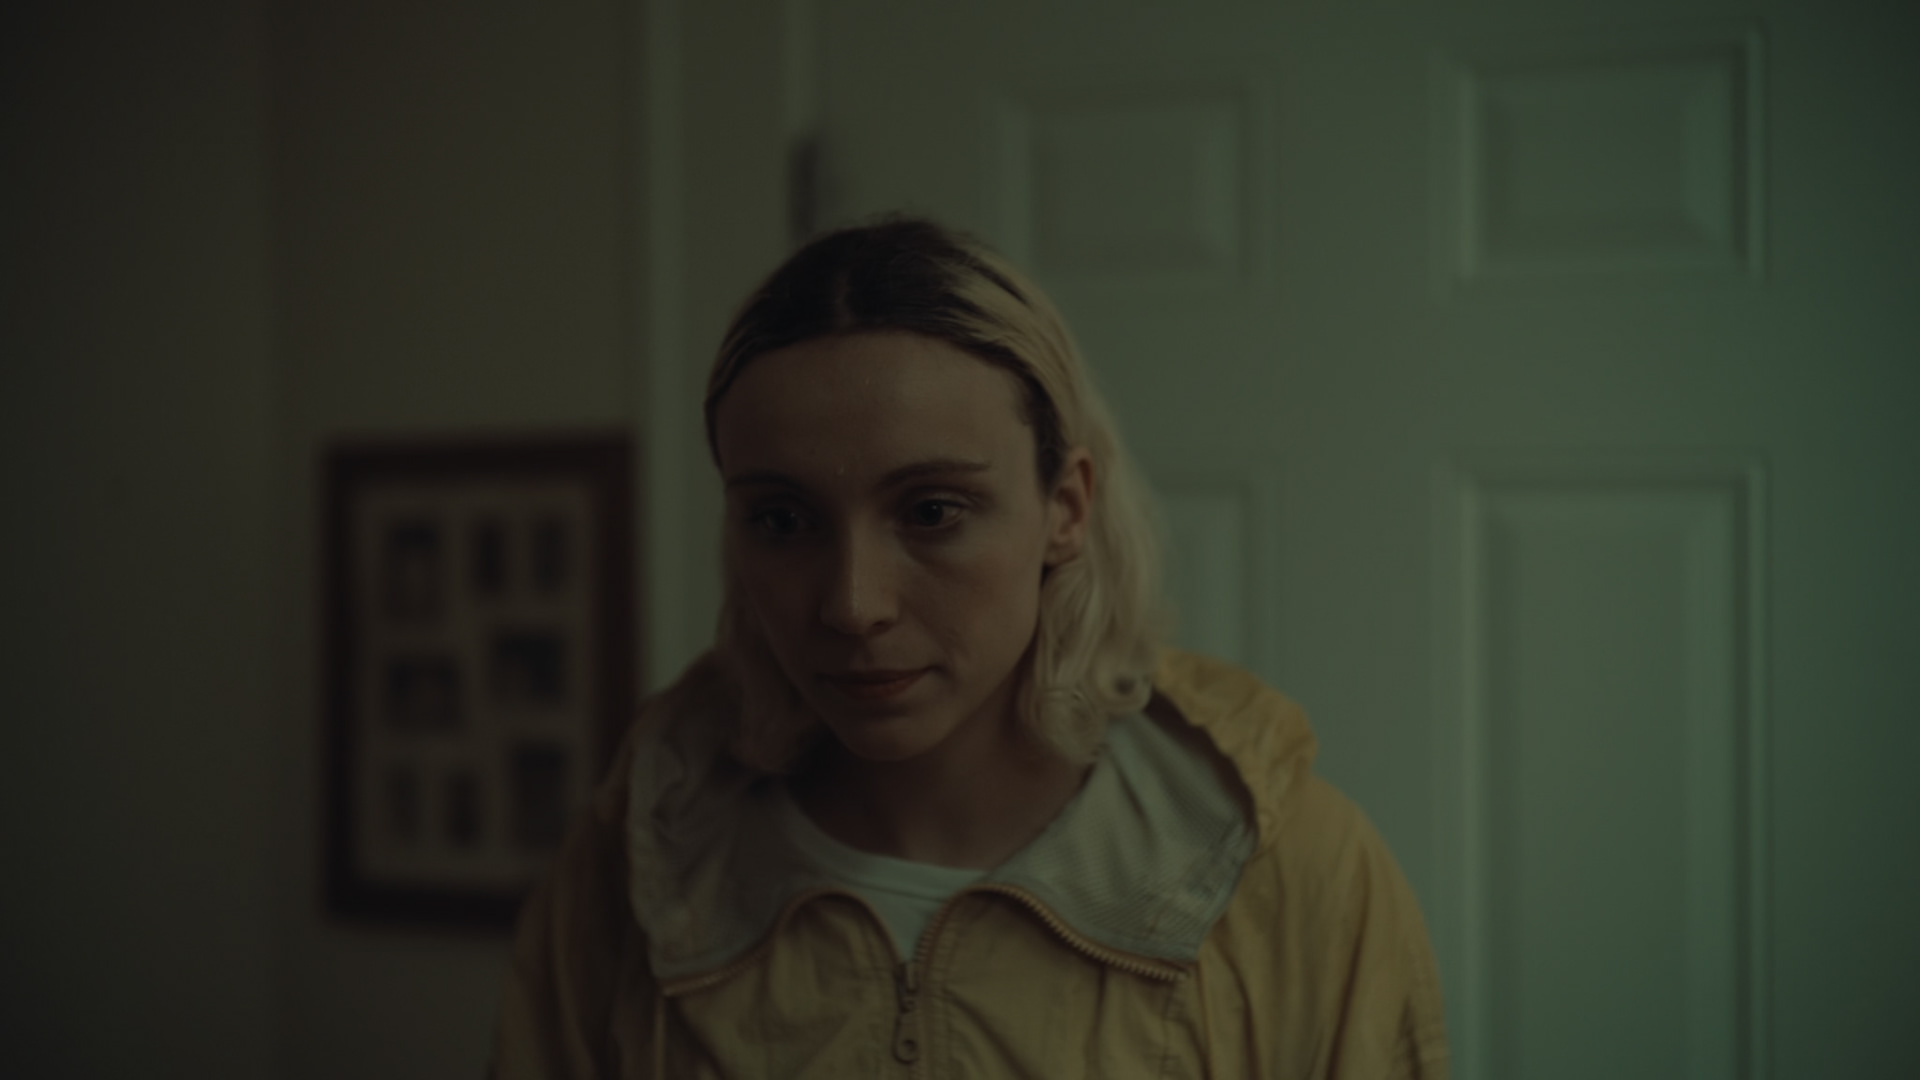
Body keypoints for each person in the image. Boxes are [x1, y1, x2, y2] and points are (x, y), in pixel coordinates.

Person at [490, 217, 1450, 1078]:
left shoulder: (1287, 867)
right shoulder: (644, 854)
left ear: (1064, 508)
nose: (853, 605)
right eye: (783, 520)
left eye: (933, 511)